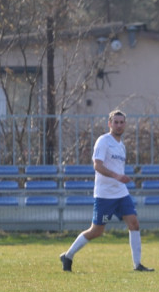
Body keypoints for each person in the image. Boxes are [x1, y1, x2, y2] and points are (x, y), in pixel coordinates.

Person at [59, 110, 153, 273]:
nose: (118, 125)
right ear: (109, 124)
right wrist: (117, 176)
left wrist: (120, 179)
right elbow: (97, 165)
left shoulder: (121, 145)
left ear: (125, 124)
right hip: (105, 195)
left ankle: (137, 265)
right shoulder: (103, 141)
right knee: (96, 231)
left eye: (121, 122)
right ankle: (68, 256)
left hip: (121, 193)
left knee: (134, 224)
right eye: (115, 122)